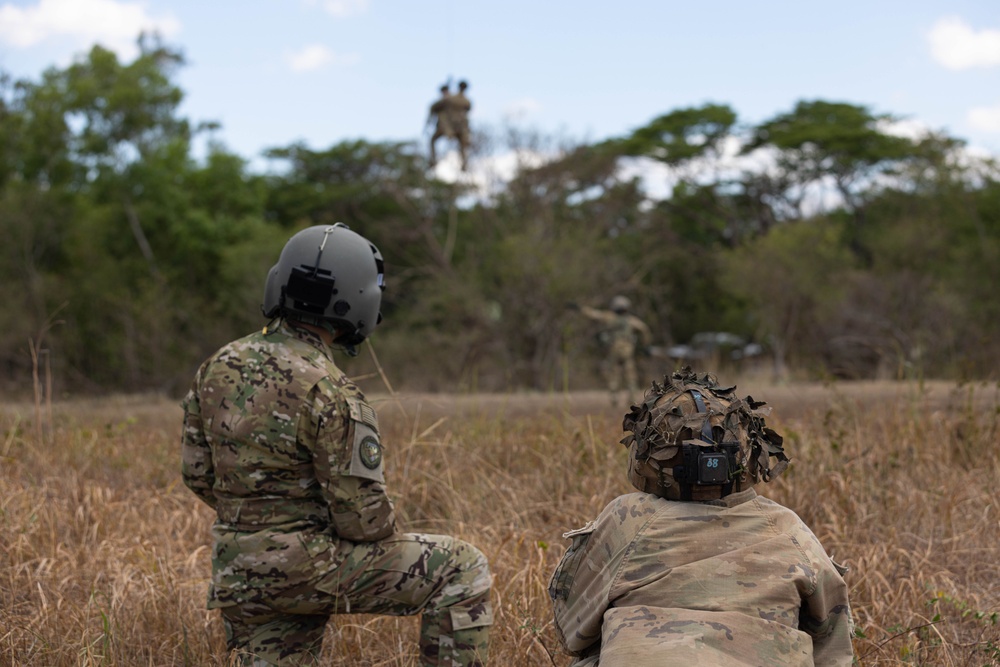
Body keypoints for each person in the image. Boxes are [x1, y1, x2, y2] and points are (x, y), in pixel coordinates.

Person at [181, 223, 492, 666]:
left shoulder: (216, 366)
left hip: (238, 571)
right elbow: (363, 522)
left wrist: (260, 524)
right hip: (308, 569)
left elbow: (196, 474)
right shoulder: (331, 390)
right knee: (463, 566)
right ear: (359, 301)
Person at [549, 367, 854, 666]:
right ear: (748, 453)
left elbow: (573, 629)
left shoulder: (628, 518)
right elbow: (833, 643)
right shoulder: (787, 528)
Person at [572, 295, 652, 405]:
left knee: (614, 375)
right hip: (627, 351)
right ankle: (632, 399)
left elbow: (593, 314)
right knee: (630, 376)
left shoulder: (609, 317)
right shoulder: (630, 320)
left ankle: (614, 399)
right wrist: (645, 345)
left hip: (614, 350)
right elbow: (644, 328)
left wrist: (579, 308)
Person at [427, 80, 472, 170]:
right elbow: (468, 109)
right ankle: (464, 164)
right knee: (462, 145)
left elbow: (433, 107)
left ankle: (433, 160)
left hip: (448, 127)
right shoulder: (466, 101)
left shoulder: (449, 99)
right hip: (461, 127)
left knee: (432, 140)